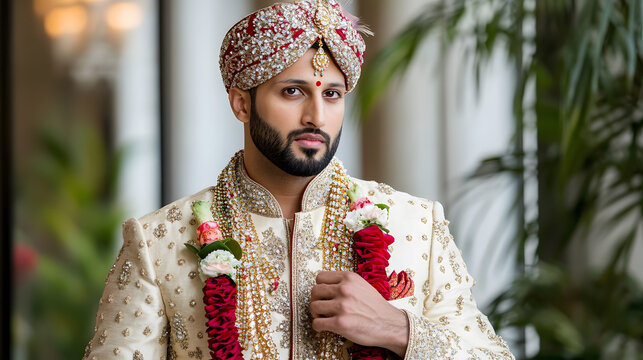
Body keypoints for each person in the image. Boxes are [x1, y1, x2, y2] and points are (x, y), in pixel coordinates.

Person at [83, 1, 514, 359]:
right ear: (241, 103)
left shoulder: (417, 225)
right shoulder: (160, 240)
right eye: (293, 91)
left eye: (331, 94)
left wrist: (398, 329)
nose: (316, 116)